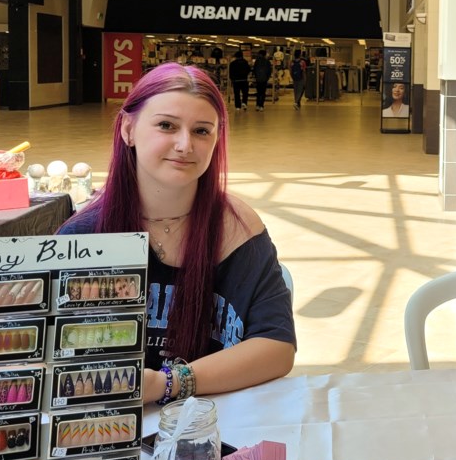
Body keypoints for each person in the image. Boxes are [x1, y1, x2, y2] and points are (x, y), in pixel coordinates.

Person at [57, 63, 296, 404]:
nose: (185, 145)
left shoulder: (238, 227)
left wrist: (166, 383)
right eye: (166, 126)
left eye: (202, 131)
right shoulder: (84, 236)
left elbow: (277, 347)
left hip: (217, 421)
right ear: (128, 129)